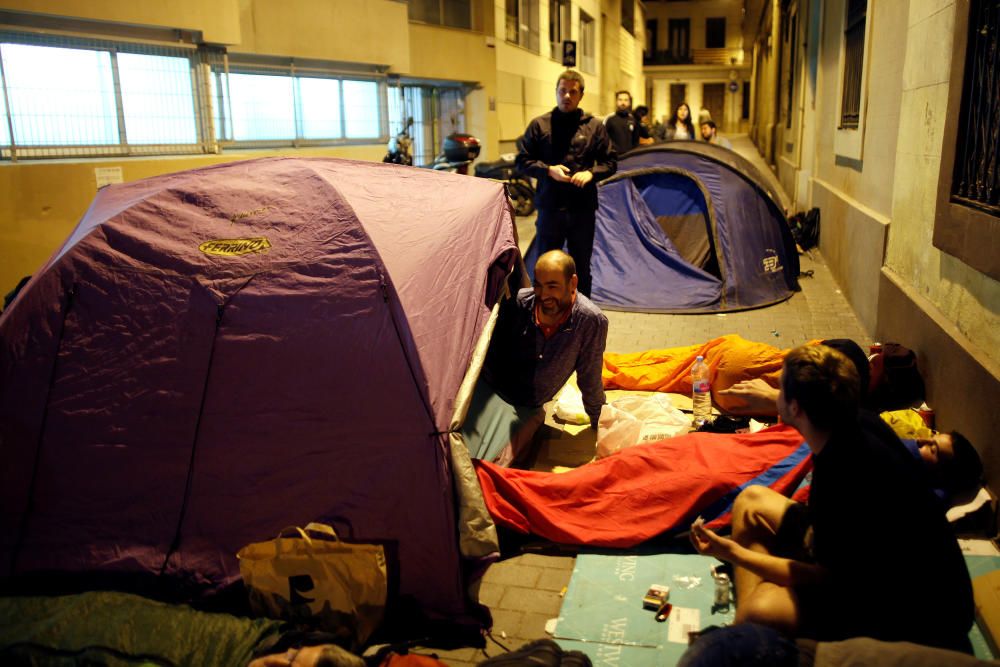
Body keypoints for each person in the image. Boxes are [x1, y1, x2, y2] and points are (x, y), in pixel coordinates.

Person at [689, 344, 974, 652]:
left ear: (796, 408)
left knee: (761, 609)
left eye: (780, 388)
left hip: (917, 612)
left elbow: (826, 578)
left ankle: (753, 630)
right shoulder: (858, 420)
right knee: (752, 500)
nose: (775, 392)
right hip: (867, 556)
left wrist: (734, 553)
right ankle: (755, 623)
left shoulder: (842, 476)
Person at [465, 251, 608, 465]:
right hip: (491, 391)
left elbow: (589, 378)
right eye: (538, 285)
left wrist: (600, 425)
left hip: (528, 406)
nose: (543, 294)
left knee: (496, 465)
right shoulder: (520, 304)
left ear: (573, 283)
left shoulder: (590, 321)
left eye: (552, 286)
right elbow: (486, 353)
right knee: (458, 453)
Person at [516, 71, 617, 297]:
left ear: (581, 95)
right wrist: (547, 170)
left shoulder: (594, 126)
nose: (567, 96)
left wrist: (592, 173)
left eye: (573, 91)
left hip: (582, 210)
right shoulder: (539, 125)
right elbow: (522, 162)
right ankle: (542, 316)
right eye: (562, 90)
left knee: (581, 267)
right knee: (545, 266)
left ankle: (582, 319)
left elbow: (611, 162)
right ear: (556, 92)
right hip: (550, 209)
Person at [604, 90, 640, 154]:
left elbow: (636, 141)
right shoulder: (610, 119)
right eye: (620, 100)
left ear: (629, 102)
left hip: (629, 158)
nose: (623, 103)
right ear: (616, 102)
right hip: (614, 159)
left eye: (626, 100)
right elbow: (604, 140)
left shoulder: (633, 120)